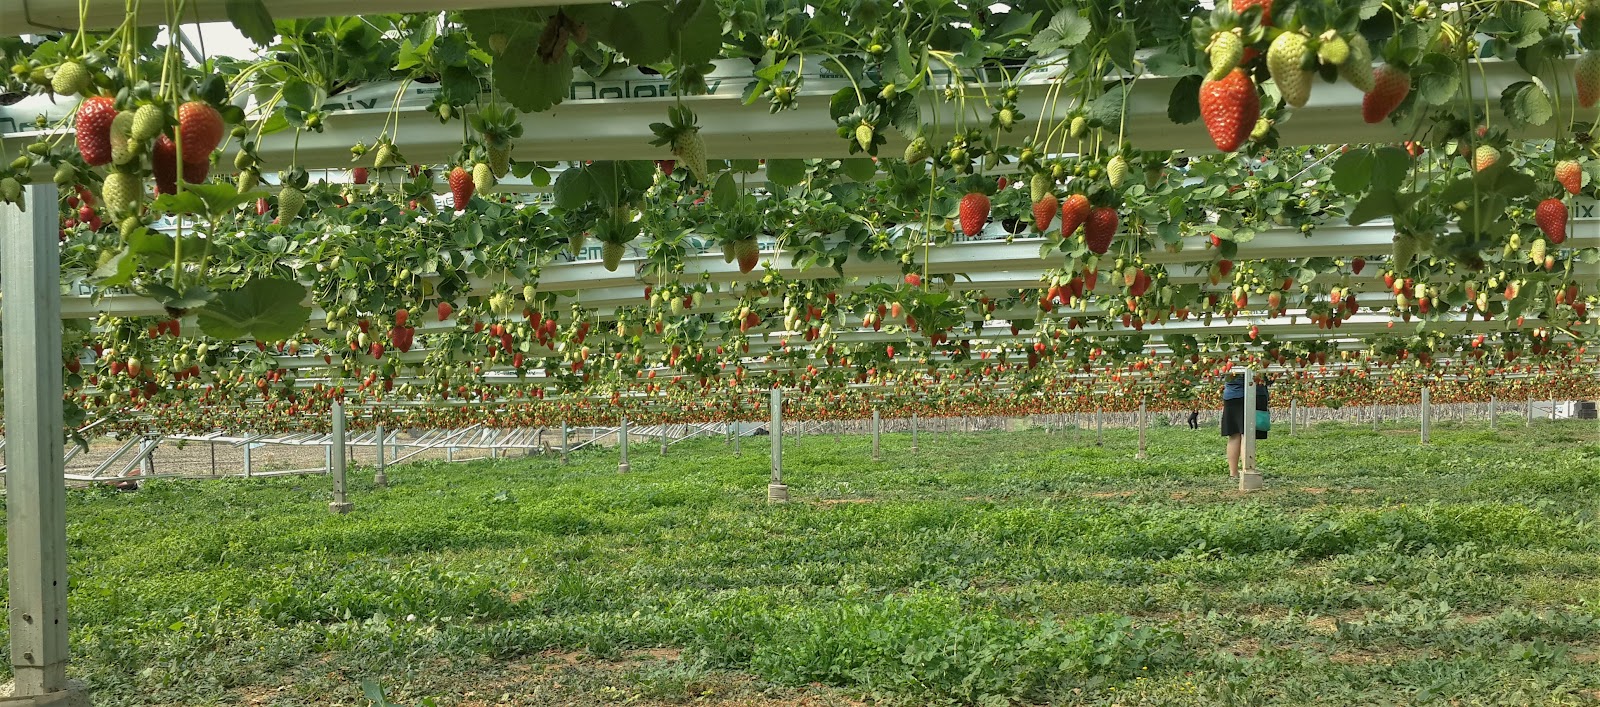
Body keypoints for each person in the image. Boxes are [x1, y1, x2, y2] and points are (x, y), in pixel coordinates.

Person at [1221, 373, 1269, 478]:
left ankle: (1233, 473)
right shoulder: (1257, 359)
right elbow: (1268, 378)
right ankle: (1247, 471)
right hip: (1254, 394)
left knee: (1234, 435)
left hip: (1233, 395)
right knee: (1247, 433)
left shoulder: (1230, 358)